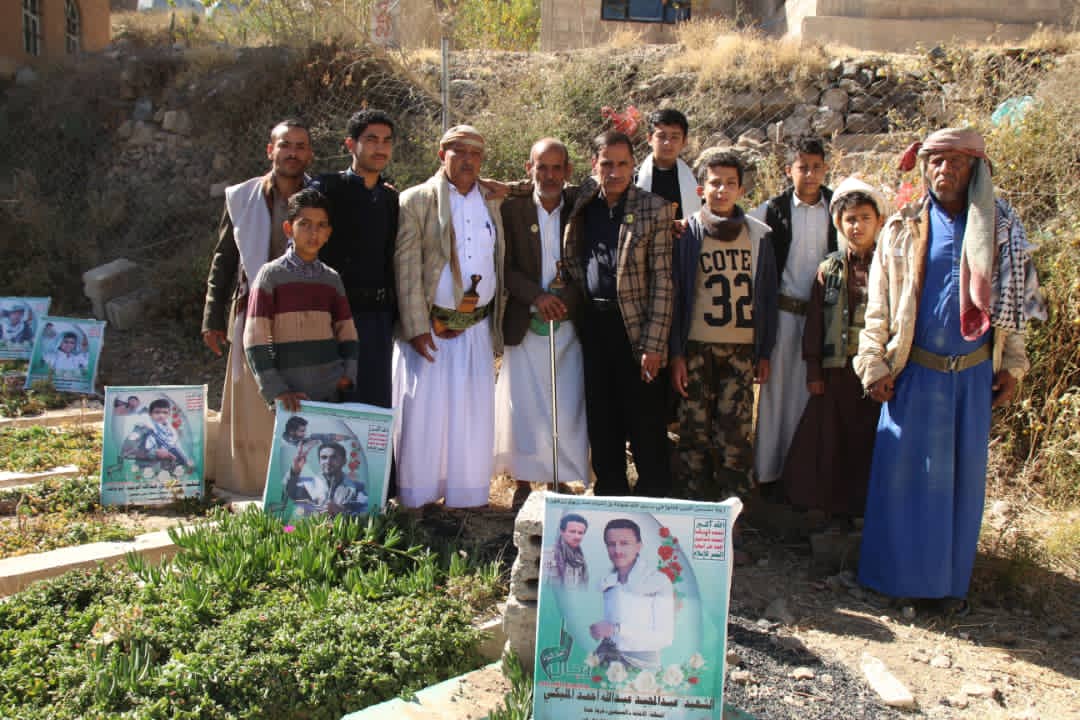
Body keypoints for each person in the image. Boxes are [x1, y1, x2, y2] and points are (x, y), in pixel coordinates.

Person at [854, 128, 1044, 613]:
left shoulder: (1002, 228)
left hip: (973, 379)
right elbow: (878, 306)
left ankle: (948, 589)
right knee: (903, 481)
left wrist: (1014, 364)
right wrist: (872, 362)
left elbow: (1014, 307)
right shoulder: (902, 228)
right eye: (936, 161)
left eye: (955, 162)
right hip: (914, 375)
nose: (944, 170)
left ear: (975, 170)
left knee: (958, 485)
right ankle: (896, 581)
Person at [392, 125, 506, 509]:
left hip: (474, 328)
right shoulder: (416, 200)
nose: (468, 160)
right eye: (460, 152)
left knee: (470, 415)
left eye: (475, 154)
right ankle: (418, 499)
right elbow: (407, 268)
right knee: (425, 417)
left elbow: (539, 185)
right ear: (442, 155)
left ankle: (466, 497)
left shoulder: (491, 199)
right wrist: (415, 327)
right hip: (431, 331)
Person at [202, 119, 313, 495]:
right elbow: (224, 261)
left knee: (298, 400)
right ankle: (249, 485)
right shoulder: (243, 197)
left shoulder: (320, 196)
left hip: (305, 317)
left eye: (300, 146)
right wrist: (212, 318)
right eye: (285, 145)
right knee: (253, 402)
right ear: (271, 150)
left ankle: (294, 488)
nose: (292, 152)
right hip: (253, 314)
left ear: (309, 154)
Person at [563, 131, 674, 497]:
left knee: (645, 418)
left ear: (633, 165)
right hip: (594, 325)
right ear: (594, 164)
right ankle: (610, 493)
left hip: (636, 330)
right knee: (602, 416)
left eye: (622, 164)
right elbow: (541, 184)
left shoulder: (654, 208)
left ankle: (653, 494)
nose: (614, 172)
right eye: (606, 164)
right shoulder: (583, 199)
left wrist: (653, 344)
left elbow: (663, 281)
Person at [669, 151, 777, 501]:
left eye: (731, 183)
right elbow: (676, 295)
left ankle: (734, 513)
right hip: (697, 348)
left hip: (741, 350)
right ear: (701, 189)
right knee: (693, 431)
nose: (722, 190)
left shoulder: (758, 235)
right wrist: (676, 353)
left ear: (742, 190)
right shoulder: (687, 233)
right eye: (715, 183)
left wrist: (764, 351)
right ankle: (694, 507)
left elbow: (767, 296)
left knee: (735, 433)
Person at [781, 177, 886, 525]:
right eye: (850, 219)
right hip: (837, 370)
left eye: (865, 218)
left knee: (869, 440)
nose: (858, 226)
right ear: (839, 224)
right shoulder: (830, 269)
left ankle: (865, 510)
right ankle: (826, 509)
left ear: (879, 221)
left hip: (878, 373)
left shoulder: (891, 266)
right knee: (830, 440)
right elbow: (815, 322)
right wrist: (814, 369)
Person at [494, 138, 588, 508]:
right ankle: (521, 480)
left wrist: (565, 299)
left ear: (567, 171)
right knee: (522, 401)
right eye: (541, 167)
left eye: (556, 168)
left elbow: (590, 263)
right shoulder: (512, 209)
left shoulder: (581, 207)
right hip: (524, 318)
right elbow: (503, 265)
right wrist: (536, 296)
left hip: (568, 321)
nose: (548, 176)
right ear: (529, 168)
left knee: (563, 400)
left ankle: (557, 477)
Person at [751, 136, 837, 494]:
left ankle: (802, 476)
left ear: (826, 169)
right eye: (803, 167)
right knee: (775, 393)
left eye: (817, 167)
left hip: (824, 316)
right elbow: (741, 230)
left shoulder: (836, 207)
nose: (810, 174)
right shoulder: (773, 210)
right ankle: (768, 474)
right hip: (783, 313)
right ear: (789, 170)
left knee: (810, 393)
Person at [311, 109, 399, 408]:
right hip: (335, 316)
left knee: (374, 403)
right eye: (371, 139)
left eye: (387, 141)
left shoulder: (390, 198)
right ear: (351, 144)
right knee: (336, 401)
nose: (380, 148)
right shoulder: (327, 190)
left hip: (378, 319)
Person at [244, 188, 358, 411]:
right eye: (305, 224)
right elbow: (255, 339)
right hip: (290, 398)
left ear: (328, 233)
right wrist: (276, 390)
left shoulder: (331, 279)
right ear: (288, 229)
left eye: (321, 225)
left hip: (330, 394)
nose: (313, 233)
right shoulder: (271, 276)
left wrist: (347, 375)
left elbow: (347, 332)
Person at [589, 518, 675, 671]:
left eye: (624, 543)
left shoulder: (658, 581)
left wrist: (617, 629)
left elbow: (665, 638)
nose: (617, 550)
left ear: (639, 546)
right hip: (605, 663)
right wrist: (598, 631)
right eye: (611, 544)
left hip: (643, 669)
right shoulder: (605, 581)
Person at [635, 109, 701, 221]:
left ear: (684, 141)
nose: (667, 143)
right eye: (661, 136)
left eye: (674, 137)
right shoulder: (634, 178)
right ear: (649, 139)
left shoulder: (695, 180)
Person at [285, 441, 368, 517]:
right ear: (319, 461)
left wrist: (341, 511)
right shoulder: (308, 484)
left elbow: (365, 513)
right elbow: (291, 494)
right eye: (324, 457)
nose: (328, 462)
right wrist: (295, 471)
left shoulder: (358, 488)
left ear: (344, 461)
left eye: (333, 457)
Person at [121, 398, 190, 471]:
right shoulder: (142, 428)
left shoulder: (170, 432)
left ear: (169, 414)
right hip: (147, 472)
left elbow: (176, 451)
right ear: (150, 414)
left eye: (165, 412)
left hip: (168, 473)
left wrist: (185, 463)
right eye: (157, 412)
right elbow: (126, 452)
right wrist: (154, 454)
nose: (161, 415)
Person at [541, 512, 589, 588]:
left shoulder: (581, 560)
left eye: (580, 533)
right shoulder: (547, 555)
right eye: (572, 532)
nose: (577, 536)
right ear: (562, 532)